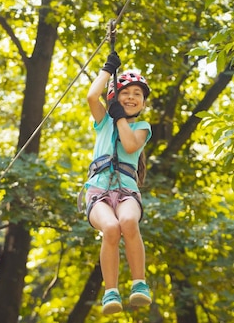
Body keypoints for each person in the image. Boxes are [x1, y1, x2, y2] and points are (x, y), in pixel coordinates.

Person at [83, 51, 153, 315]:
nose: (131, 98)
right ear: (114, 96)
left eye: (137, 94)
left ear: (143, 103)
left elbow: (130, 144)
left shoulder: (142, 127)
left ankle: (139, 283)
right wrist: (107, 68)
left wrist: (119, 116)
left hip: (126, 191)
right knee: (111, 228)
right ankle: (110, 291)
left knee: (127, 222)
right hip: (99, 191)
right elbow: (91, 96)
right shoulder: (102, 123)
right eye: (125, 93)